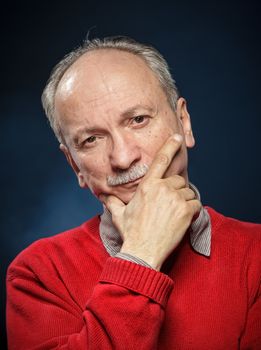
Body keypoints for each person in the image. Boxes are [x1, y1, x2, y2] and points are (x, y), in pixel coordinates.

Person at [6, 36, 261, 349]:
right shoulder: (39, 272)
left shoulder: (256, 254)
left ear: (184, 123)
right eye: (91, 140)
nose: (123, 158)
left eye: (138, 120)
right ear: (75, 166)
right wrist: (141, 256)